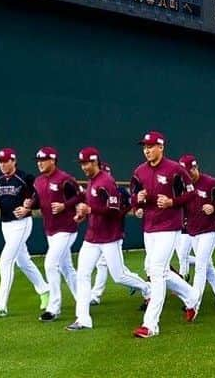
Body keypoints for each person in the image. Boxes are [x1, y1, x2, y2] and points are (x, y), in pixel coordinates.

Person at [68, 147, 150, 331]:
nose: (83, 167)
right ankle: (83, 319)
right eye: (81, 163)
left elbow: (114, 211)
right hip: (92, 237)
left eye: (86, 163)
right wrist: (84, 215)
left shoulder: (106, 181)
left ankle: (147, 288)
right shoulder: (92, 182)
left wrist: (91, 210)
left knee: (119, 276)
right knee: (82, 273)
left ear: (95, 162)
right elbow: (93, 207)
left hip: (109, 237)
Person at [130, 130, 199, 338]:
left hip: (170, 225)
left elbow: (191, 193)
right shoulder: (140, 171)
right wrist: (138, 199)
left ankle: (150, 325)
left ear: (161, 147)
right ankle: (192, 296)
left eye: (151, 146)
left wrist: (172, 202)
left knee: (157, 271)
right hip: (149, 225)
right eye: (145, 147)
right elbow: (134, 197)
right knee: (156, 270)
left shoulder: (175, 169)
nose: (147, 150)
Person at [0, 147, 49, 318]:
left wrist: (28, 208)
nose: (3, 164)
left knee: (6, 260)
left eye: (6, 161)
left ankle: (1, 305)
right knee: (23, 261)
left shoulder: (24, 178)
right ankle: (45, 290)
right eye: (0, 161)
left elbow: (38, 198)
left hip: (21, 224)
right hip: (6, 224)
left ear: (13, 161)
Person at [30, 145, 80, 320]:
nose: (40, 163)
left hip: (66, 228)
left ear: (52, 160)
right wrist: (30, 203)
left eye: (43, 160)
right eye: (38, 161)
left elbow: (79, 197)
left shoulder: (65, 179)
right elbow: (38, 200)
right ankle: (82, 299)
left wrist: (64, 205)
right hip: (50, 229)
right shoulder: (38, 181)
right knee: (66, 267)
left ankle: (53, 307)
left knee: (50, 264)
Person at [177, 153, 215, 313]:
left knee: (200, 265)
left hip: (210, 230)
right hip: (193, 231)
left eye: (190, 170)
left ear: (195, 168)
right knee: (207, 265)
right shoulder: (183, 186)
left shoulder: (210, 182)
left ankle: (194, 303)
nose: (188, 174)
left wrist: (214, 206)